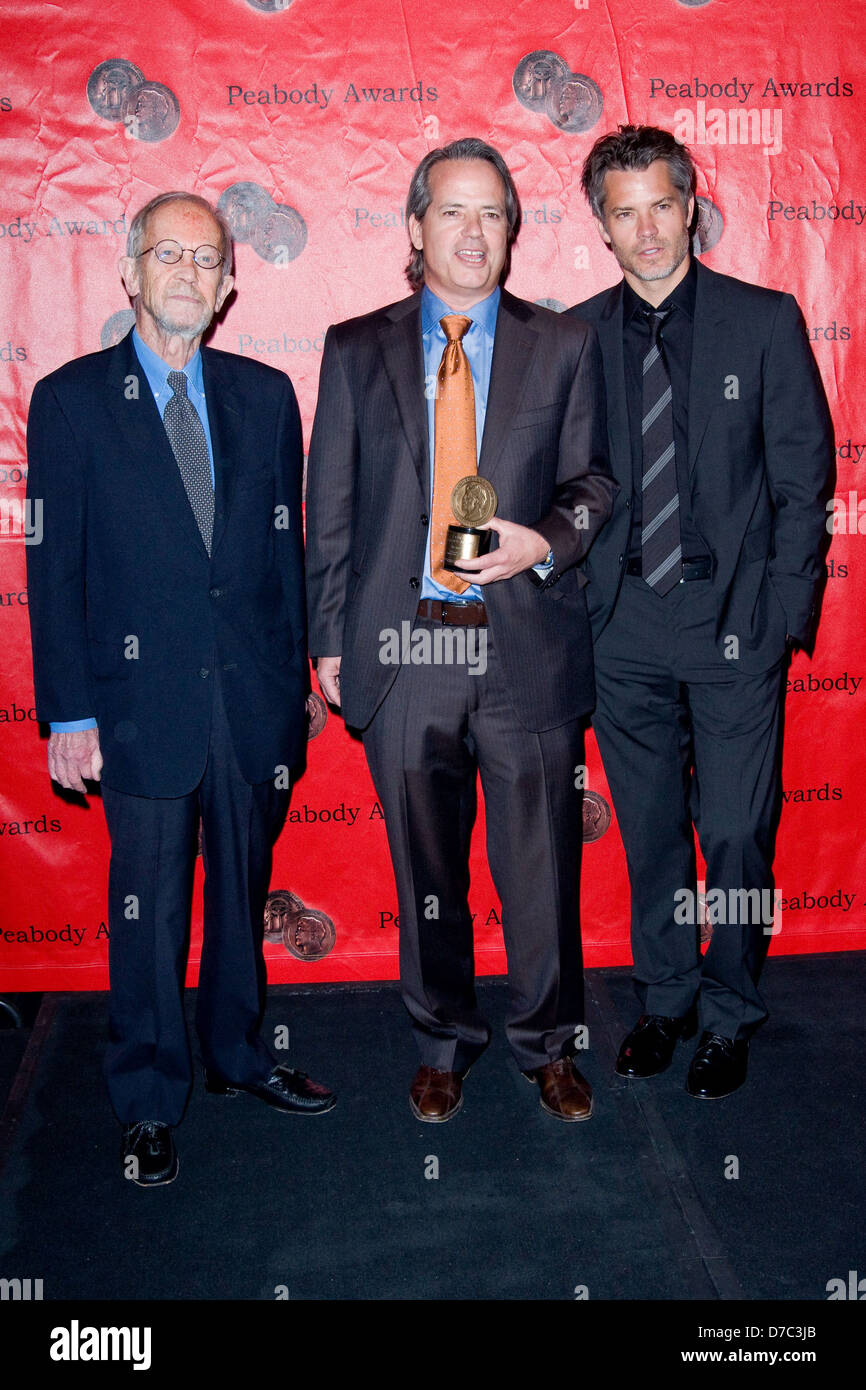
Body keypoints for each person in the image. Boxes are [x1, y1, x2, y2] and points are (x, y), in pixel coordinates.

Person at [26, 191, 335, 1187]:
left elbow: (282, 563)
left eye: (207, 260)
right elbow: (53, 570)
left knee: (239, 897)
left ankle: (240, 1056)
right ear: (129, 273)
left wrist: (299, 682)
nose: (189, 273)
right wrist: (68, 711)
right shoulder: (71, 401)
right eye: (168, 255)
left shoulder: (265, 395)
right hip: (135, 708)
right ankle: (150, 1099)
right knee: (148, 912)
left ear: (231, 286)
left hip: (250, 706)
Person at [305, 138, 614, 1123]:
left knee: (539, 872)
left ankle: (549, 1044)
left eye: (491, 214)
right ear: (413, 226)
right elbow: (333, 510)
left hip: (522, 644)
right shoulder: (356, 349)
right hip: (406, 648)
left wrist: (544, 541)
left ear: (511, 232)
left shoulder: (560, 344)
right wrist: (329, 642)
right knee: (425, 871)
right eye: (452, 212)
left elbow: (595, 484)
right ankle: (440, 1039)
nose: (473, 232)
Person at [571, 125, 834, 1098]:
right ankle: (667, 997)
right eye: (621, 211)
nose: (644, 230)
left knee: (730, 830)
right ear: (601, 225)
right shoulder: (576, 338)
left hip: (732, 620)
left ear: (691, 205)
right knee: (648, 831)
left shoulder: (761, 322)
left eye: (658, 205)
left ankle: (730, 1009)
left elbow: (803, 481)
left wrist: (777, 619)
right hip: (621, 626)